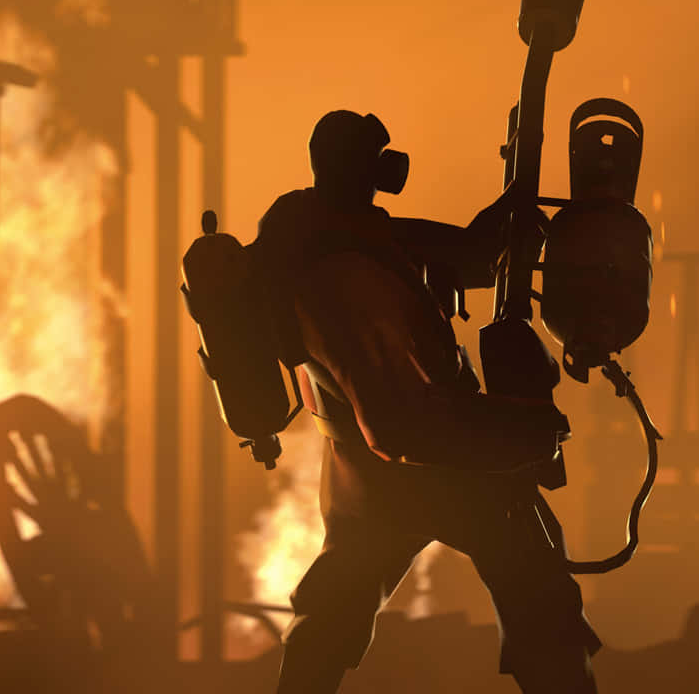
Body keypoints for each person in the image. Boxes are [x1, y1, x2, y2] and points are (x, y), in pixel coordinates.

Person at [251, 110, 599, 694]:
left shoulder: (339, 230)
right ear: (356, 168)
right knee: (539, 595)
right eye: (375, 158)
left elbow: (451, 252)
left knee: (333, 609)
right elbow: (400, 424)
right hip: (433, 467)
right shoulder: (345, 282)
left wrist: (503, 222)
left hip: (363, 479)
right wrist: (520, 432)